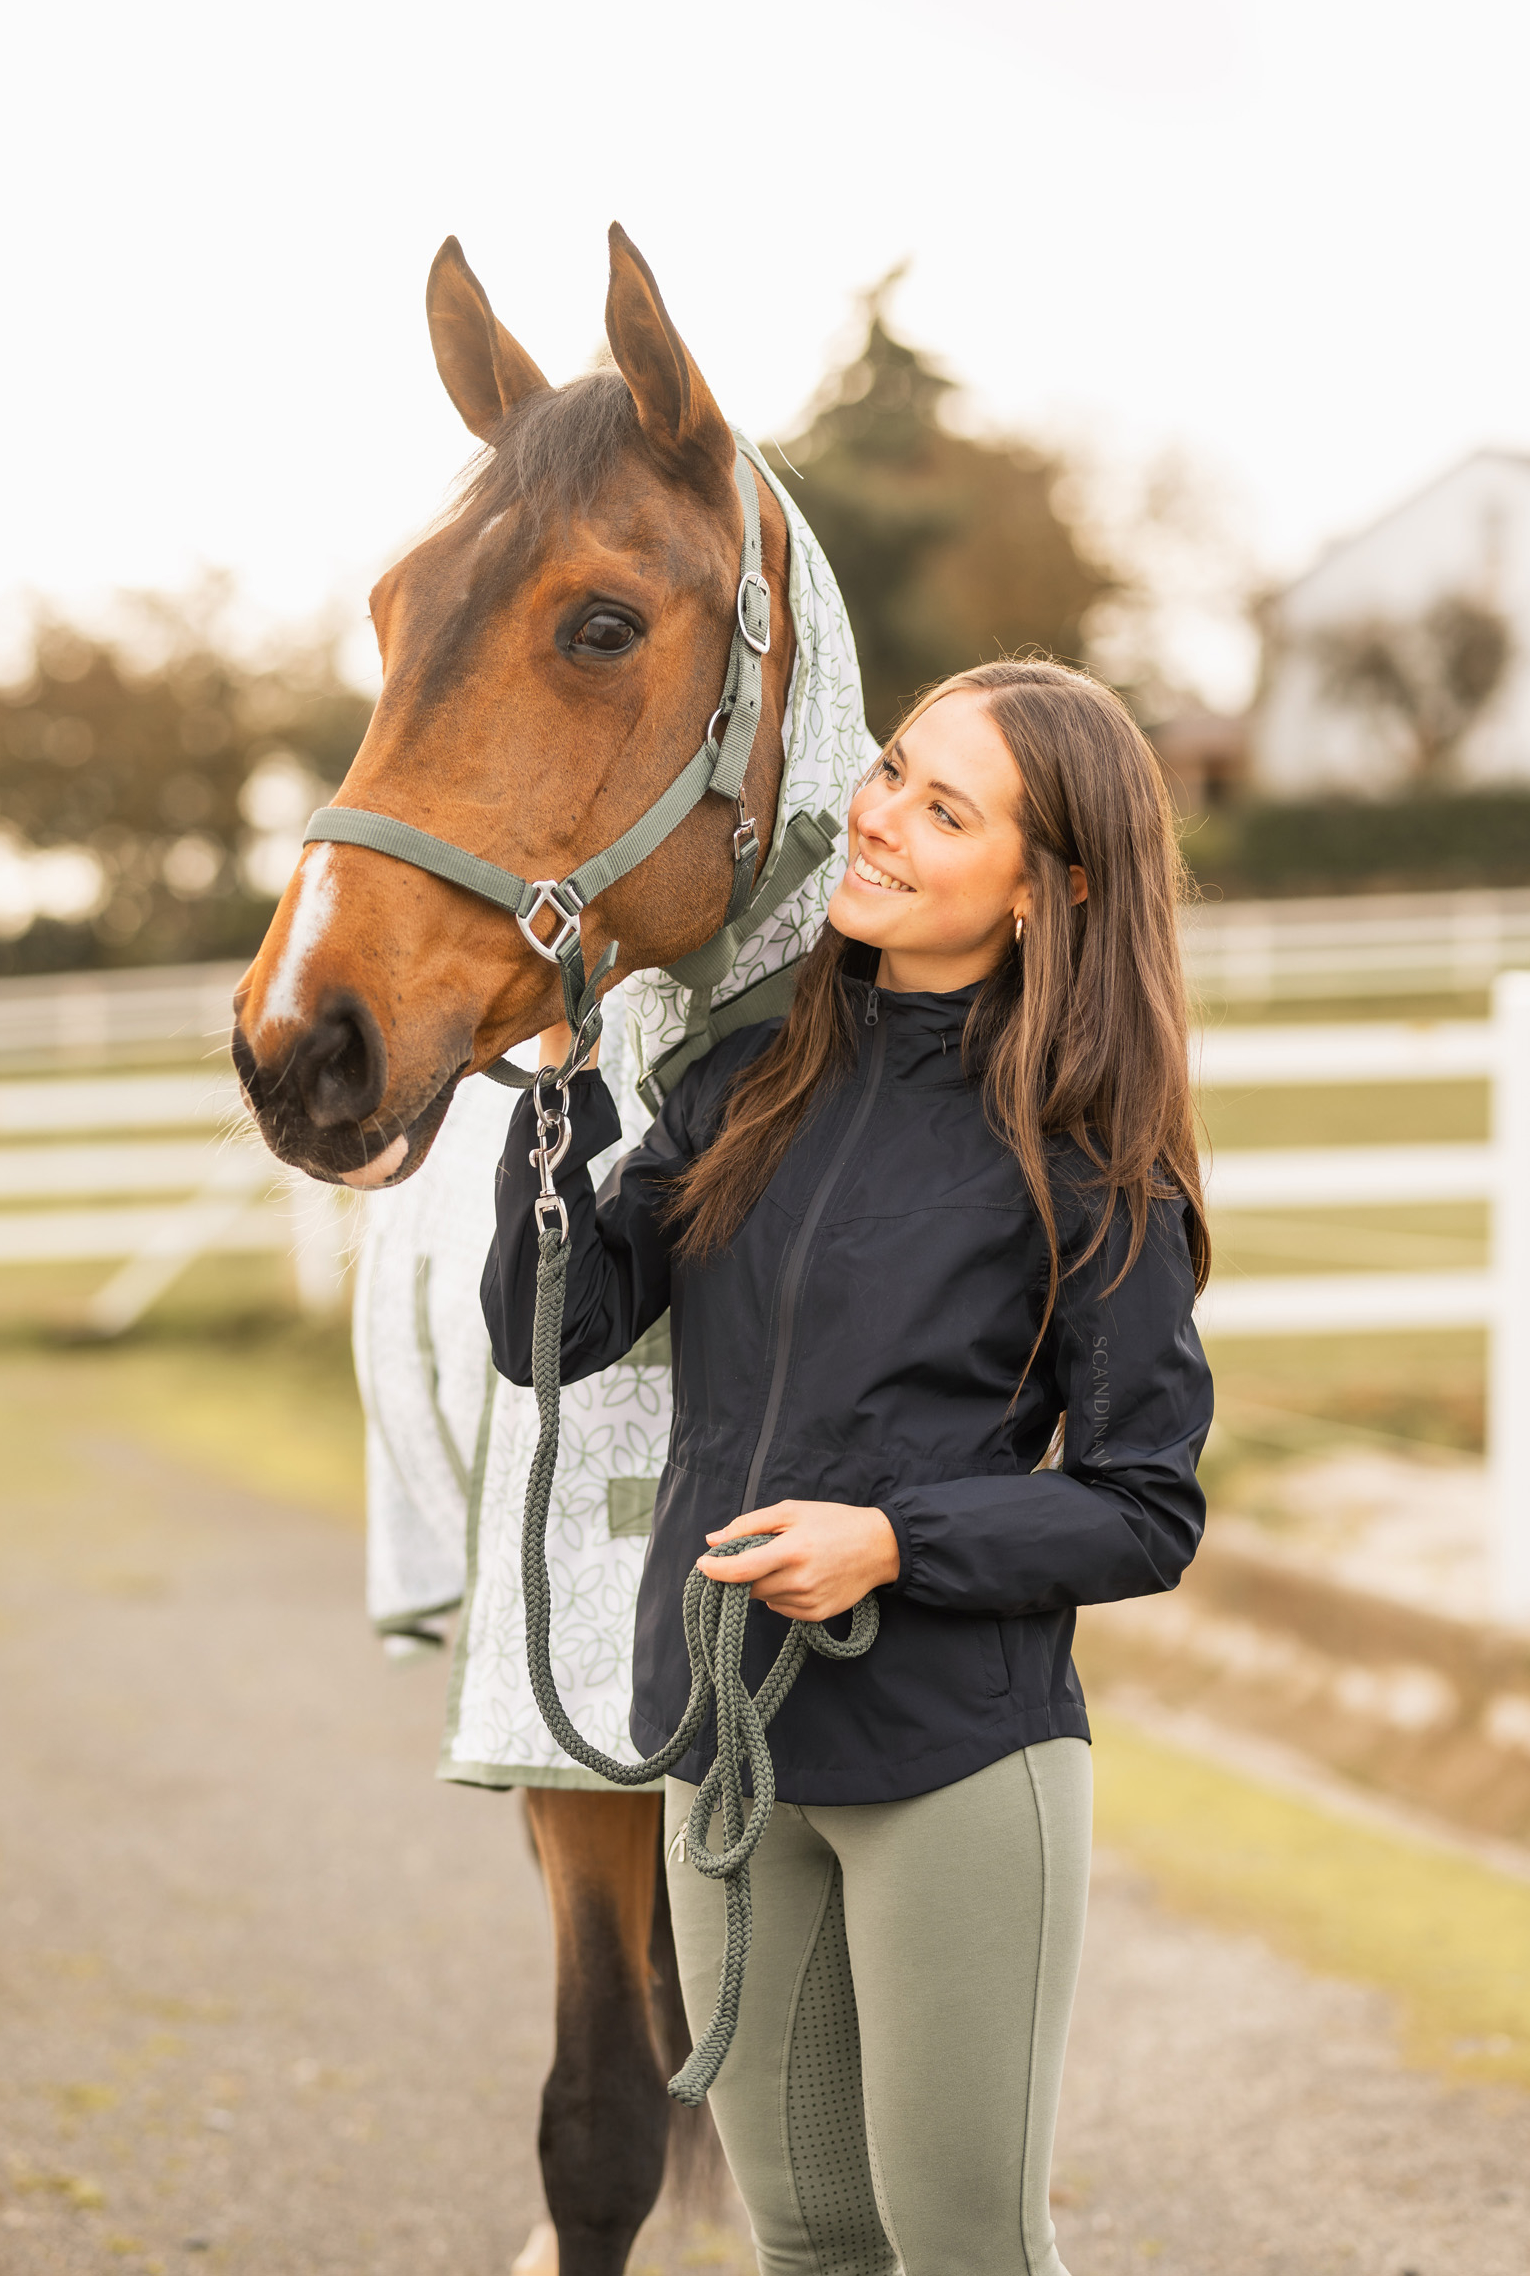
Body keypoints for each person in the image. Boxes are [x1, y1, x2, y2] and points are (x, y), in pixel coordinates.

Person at [484, 661, 1212, 2276]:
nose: (877, 820)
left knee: (965, 2247)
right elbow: (554, 1331)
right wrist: (556, 1095)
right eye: (891, 772)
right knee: (807, 2243)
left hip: (951, 1763)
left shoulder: (1090, 1160)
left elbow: (1146, 1505)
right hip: (722, 1748)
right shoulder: (746, 1081)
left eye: (946, 811)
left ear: (1046, 889)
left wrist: (891, 1541)